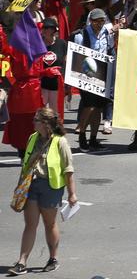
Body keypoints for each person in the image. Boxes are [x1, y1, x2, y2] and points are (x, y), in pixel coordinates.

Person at [9, 107, 77, 275]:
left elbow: (68, 170)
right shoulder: (32, 138)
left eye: (36, 120)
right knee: (30, 225)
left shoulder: (60, 142)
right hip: (32, 185)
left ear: (45, 124)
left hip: (51, 187)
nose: (33, 122)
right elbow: (26, 164)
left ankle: (53, 258)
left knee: (50, 224)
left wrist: (72, 194)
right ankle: (22, 261)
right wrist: (20, 186)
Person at [73, 9, 115, 151]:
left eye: (102, 20)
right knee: (89, 106)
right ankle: (82, 136)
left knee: (97, 108)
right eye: (96, 21)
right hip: (86, 75)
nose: (99, 23)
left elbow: (111, 52)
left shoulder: (107, 34)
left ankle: (93, 139)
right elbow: (76, 57)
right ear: (91, 21)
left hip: (102, 75)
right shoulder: (81, 35)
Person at [38, 20, 66, 116]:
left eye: (47, 28)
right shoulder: (38, 44)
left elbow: (66, 63)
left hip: (57, 84)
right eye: (43, 28)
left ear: (54, 30)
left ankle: (55, 130)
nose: (44, 30)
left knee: (55, 113)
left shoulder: (61, 44)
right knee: (42, 112)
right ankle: (41, 131)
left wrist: (68, 85)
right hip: (42, 84)